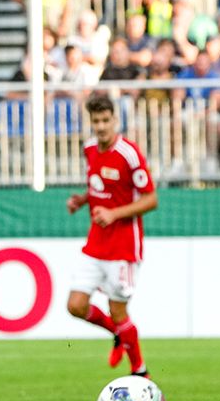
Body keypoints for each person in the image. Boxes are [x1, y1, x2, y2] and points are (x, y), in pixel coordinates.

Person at [65, 94, 158, 378]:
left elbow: (151, 199)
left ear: (115, 120)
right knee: (76, 305)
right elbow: (98, 187)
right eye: (96, 121)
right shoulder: (90, 149)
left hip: (124, 246)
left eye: (106, 120)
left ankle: (140, 372)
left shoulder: (129, 154)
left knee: (118, 311)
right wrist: (82, 200)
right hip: (96, 243)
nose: (102, 126)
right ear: (91, 122)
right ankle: (118, 334)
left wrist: (114, 214)